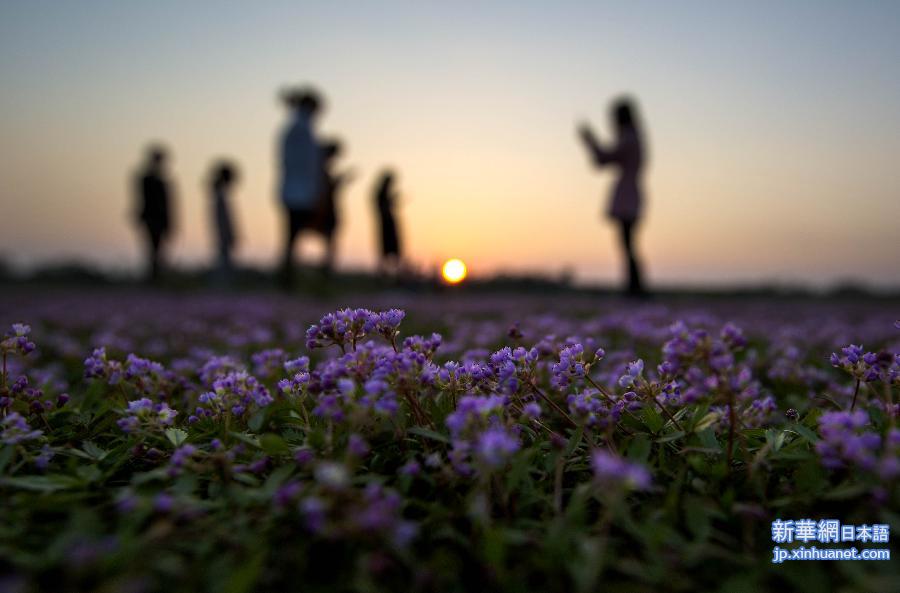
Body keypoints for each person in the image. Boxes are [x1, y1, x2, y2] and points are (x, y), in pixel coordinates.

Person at [578, 98, 647, 297]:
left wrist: (589, 140)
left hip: (627, 195)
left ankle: (635, 289)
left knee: (627, 243)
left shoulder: (628, 138)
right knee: (628, 243)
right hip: (632, 192)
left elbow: (602, 159)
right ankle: (634, 288)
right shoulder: (636, 137)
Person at [278, 86, 324, 288]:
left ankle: (291, 279)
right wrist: (316, 191)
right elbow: (307, 164)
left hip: (294, 190)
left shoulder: (296, 127)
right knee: (293, 238)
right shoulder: (301, 129)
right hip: (300, 192)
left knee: (292, 238)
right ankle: (289, 280)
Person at [134, 145, 174, 282]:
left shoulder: (162, 181)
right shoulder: (147, 179)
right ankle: (153, 278)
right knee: (153, 251)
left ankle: (156, 277)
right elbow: (142, 200)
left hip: (159, 220)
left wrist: (169, 223)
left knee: (158, 250)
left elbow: (168, 204)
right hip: (152, 220)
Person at [315, 140, 354, 276]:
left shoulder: (321, 168)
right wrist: (341, 181)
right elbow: (327, 187)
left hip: (326, 208)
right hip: (322, 209)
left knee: (330, 244)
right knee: (330, 243)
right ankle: (325, 273)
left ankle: (325, 272)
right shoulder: (318, 168)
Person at [208, 160, 239, 282]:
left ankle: (222, 284)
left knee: (224, 262)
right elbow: (222, 219)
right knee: (224, 263)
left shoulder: (219, 195)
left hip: (223, 235)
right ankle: (221, 285)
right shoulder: (219, 196)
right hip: (223, 235)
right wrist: (229, 234)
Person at [373, 170, 402, 277]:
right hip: (386, 225)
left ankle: (394, 275)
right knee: (387, 251)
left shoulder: (384, 194)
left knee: (393, 251)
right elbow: (382, 208)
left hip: (389, 224)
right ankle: (385, 274)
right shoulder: (380, 194)